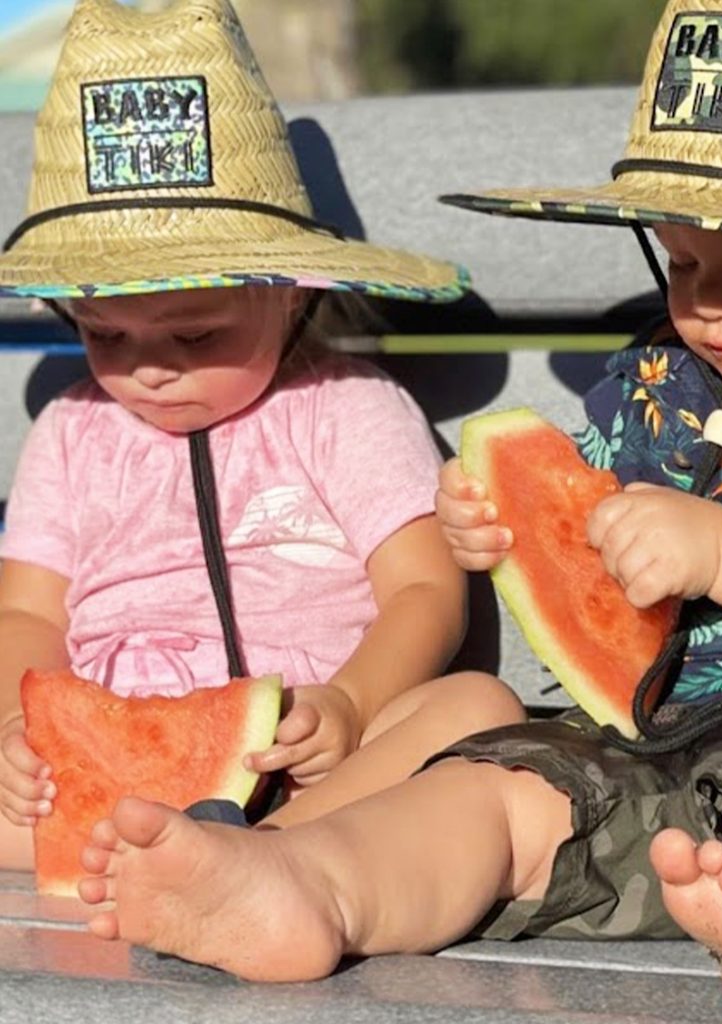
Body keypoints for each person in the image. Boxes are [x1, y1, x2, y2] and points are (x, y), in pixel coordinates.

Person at [76, 1, 722, 1021]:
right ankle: (315, 888)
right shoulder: (662, 377)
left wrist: (720, 546)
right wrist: (492, 528)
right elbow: (575, 529)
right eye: (684, 263)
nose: (705, 303)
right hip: (639, 737)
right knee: (496, 789)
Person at [0, 0, 525, 873]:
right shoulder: (73, 428)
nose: (148, 370)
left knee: (477, 708)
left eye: (197, 336)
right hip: (101, 773)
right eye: (103, 335)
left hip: (316, 775)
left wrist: (355, 705)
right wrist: (19, 726)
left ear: (290, 293)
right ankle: (167, 865)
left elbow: (424, 589)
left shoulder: (345, 405)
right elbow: (25, 611)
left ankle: (258, 866)